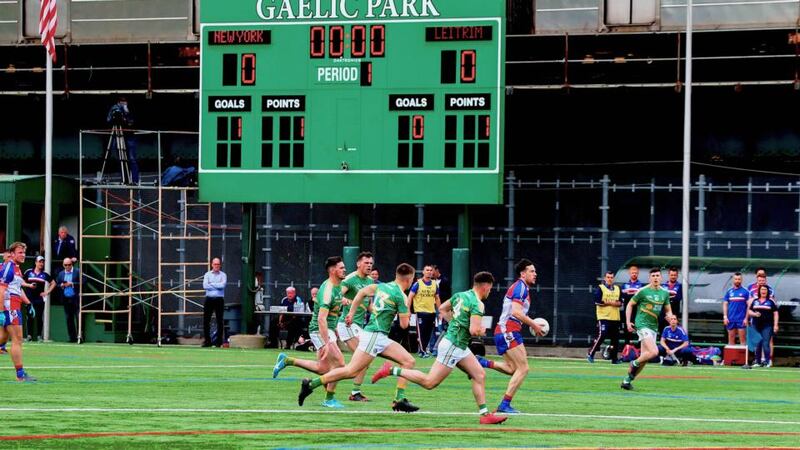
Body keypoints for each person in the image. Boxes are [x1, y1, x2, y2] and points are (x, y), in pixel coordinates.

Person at [371, 271, 508, 425]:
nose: (489, 291)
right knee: (430, 382)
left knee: (479, 375)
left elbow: (442, 308)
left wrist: (454, 324)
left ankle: (485, 415)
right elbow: (473, 331)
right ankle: (391, 370)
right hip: (453, 346)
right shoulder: (478, 304)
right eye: (490, 288)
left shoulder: (460, 295)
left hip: (458, 345)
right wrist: (481, 330)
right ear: (486, 286)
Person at [296, 263, 420, 413]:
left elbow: (361, 293)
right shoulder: (401, 296)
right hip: (375, 335)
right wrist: (405, 309)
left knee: (409, 361)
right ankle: (310, 385)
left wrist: (351, 313)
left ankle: (398, 400)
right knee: (351, 371)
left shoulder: (381, 286)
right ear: (410, 279)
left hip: (378, 336)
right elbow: (404, 324)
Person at [274, 257, 348, 408]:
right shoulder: (327, 291)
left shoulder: (338, 287)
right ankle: (329, 399)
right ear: (333, 270)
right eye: (341, 268)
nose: (344, 270)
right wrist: (328, 342)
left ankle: (288, 360)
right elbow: (321, 319)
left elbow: (332, 314)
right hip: (319, 330)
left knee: (323, 368)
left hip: (327, 330)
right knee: (340, 363)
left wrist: (334, 331)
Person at [475, 258, 543, 414]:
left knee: (514, 369)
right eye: (531, 271)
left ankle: (481, 362)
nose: (535, 274)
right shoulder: (520, 288)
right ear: (522, 273)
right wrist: (534, 324)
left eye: (535, 271)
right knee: (523, 368)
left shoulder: (521, 287)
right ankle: (505, 404)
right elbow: (516, 312)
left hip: (505, 331)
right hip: (508, 331)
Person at [620, 267, 673, 390]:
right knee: (654, 352)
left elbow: (668, 310)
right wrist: (628, 322)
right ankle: (634, 363)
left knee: (645, 358)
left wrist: (670, 317)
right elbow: (629, 305)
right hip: (642, 325)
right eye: (653, 276)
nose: (655, 278)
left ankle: (627, 381)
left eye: (657, 276)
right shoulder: (642, 291)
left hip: (653, 327)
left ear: (661, 278)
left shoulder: (664, 293)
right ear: (649, 278)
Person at [336, 251, 376, 402]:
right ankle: (354, 392)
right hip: (347, 324)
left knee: (362, 361)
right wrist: (343, 299)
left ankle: (331, 376)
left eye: (371, 263)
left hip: (358, 325)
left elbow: (369, 305)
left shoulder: (370, 281)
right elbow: (337, 294)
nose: (369, 266)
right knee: (363, 359)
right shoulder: (350, 279)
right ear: (358, 264)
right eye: (366, 263)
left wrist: (378, 314)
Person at [0, 243, 36, 381]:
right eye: (20, 252)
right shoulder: (9, 268)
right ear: (12, 254)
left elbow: (17, 288)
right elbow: (1, 290)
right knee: (17, 340)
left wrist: (28, 303)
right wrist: (1, 312)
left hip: (14, 305)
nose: (23, 255)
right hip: (10, 307)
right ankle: (20, 375)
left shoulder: (16, 269)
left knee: (3, 338)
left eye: (24, 252)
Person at [587, 270, 621, 364]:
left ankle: (614, 358)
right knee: (602, 335)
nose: (610, 279)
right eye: (608, 277)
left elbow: (620, 302)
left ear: (613, 278)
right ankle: (591, 353)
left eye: (611, 277)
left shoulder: (617, 289)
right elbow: (598, 301)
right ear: (605, 278)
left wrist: (614, 303)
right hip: (603, 317)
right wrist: (611, 303)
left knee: (615, 339)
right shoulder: (601, 288)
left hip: (615, 317)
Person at [407, 264, 441, 358]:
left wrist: (440, 311)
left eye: (430, 270)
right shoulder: (417, 283)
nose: (429, 272)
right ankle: (422, 351)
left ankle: (424, 350)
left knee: (428, 333)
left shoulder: (435, 284)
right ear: (423, 272)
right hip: (421, 312)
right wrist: (408, 310)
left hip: (431, 312)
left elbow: (437, 298)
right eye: (427, 270)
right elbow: (410, 297)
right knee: (421, 333)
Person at [106, 96, 139, 184]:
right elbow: (109, 119)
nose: (124, 103)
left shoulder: (129, 110)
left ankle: (135, 180)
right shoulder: (114, 109)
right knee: (121, 158)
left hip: (129, 136)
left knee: (132, 159)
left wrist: (126, 113)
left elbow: (131, 122)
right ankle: (125, 179)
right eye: (122, 102)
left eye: (125, 101)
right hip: (119, 135)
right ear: (118, 102)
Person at [746, 285, 779, 368]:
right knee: (757, 343)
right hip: (756, 324)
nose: (763, 291)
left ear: (767, 291)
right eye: (762, 289)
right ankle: (757, 361)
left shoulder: (771, 301)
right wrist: (754, 314)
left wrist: (775, 325)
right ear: (759, 291)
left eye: (765, 289)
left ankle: (767, 361)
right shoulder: (755, 301)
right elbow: (749, 311)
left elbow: (775, 313)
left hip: (767, 325)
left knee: (765, 343)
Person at [23, 255, 55, 341]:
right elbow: (21, 281)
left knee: (39, 316)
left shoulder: (45, 274)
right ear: (35, 262)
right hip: (29, 299)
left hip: (39, 299)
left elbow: (53, 283)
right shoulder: (28, 272)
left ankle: (39, 336)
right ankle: (29, 336)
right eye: (40, 261)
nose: (41, 263)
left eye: (42, 262)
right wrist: (28, 285)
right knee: (29, 316)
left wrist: (47, 292)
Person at [56, 257, 82, 343]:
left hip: (76, 298)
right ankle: (72, 338)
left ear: (72, 264)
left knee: (78, 317)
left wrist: (72, 284)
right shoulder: (61, 274)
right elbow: (58, 284)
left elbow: (84, 282)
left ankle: (80, 336)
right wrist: (61, 285)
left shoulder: (77, 271)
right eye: (65, 265)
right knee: (69, 319)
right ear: (63, 265)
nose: (67, 266)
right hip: (66, 299)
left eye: (69, 265)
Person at [202, 257, 226, 347]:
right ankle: (207, 341)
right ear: (212, 264)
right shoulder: (207, 274)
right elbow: (205, 286)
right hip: (209, 299)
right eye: (215, 264)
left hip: (219, 300)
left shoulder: (223, 275)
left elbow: (222, 285)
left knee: (219, 320)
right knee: (206, 320)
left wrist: (211, 284)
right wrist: (217, 286)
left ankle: (218, 342)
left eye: (218, 264)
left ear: (220, 265)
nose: (216, 266)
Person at [619, 265, 644, 346]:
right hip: (628, 311)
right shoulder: (625, 285)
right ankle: (627, 349)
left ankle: (640, 349)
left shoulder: (641, 285)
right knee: (627, 330)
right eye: (632, 273)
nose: (634, 274)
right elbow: (623, 297)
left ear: (638, 274)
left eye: (636, 273)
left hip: (638, 311)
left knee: (639, 331)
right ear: (629, 273)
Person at [723, 272, 749, 345]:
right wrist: (725, 317)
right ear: (733, 280)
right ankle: (731, 356)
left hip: (741, 319)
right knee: (731, 340)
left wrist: (746, 318)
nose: (737, 280)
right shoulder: (729, 291)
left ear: (741, 280)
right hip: (730, 319)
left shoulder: (746, 291)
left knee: (743, 340)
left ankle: (742, 356)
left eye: (739, 279)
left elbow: (749, 306)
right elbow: (725, 304)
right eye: (736, 279)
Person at [660, 267, 683, 331]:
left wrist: (667, 297)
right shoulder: (663, 286)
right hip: (664, 316)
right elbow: (660, 300)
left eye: (675, 275)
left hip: (674, 315)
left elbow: (678, 298)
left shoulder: (680, 286)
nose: (673, 277)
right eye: (671, 275)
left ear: (677, 276)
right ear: (668, 275)